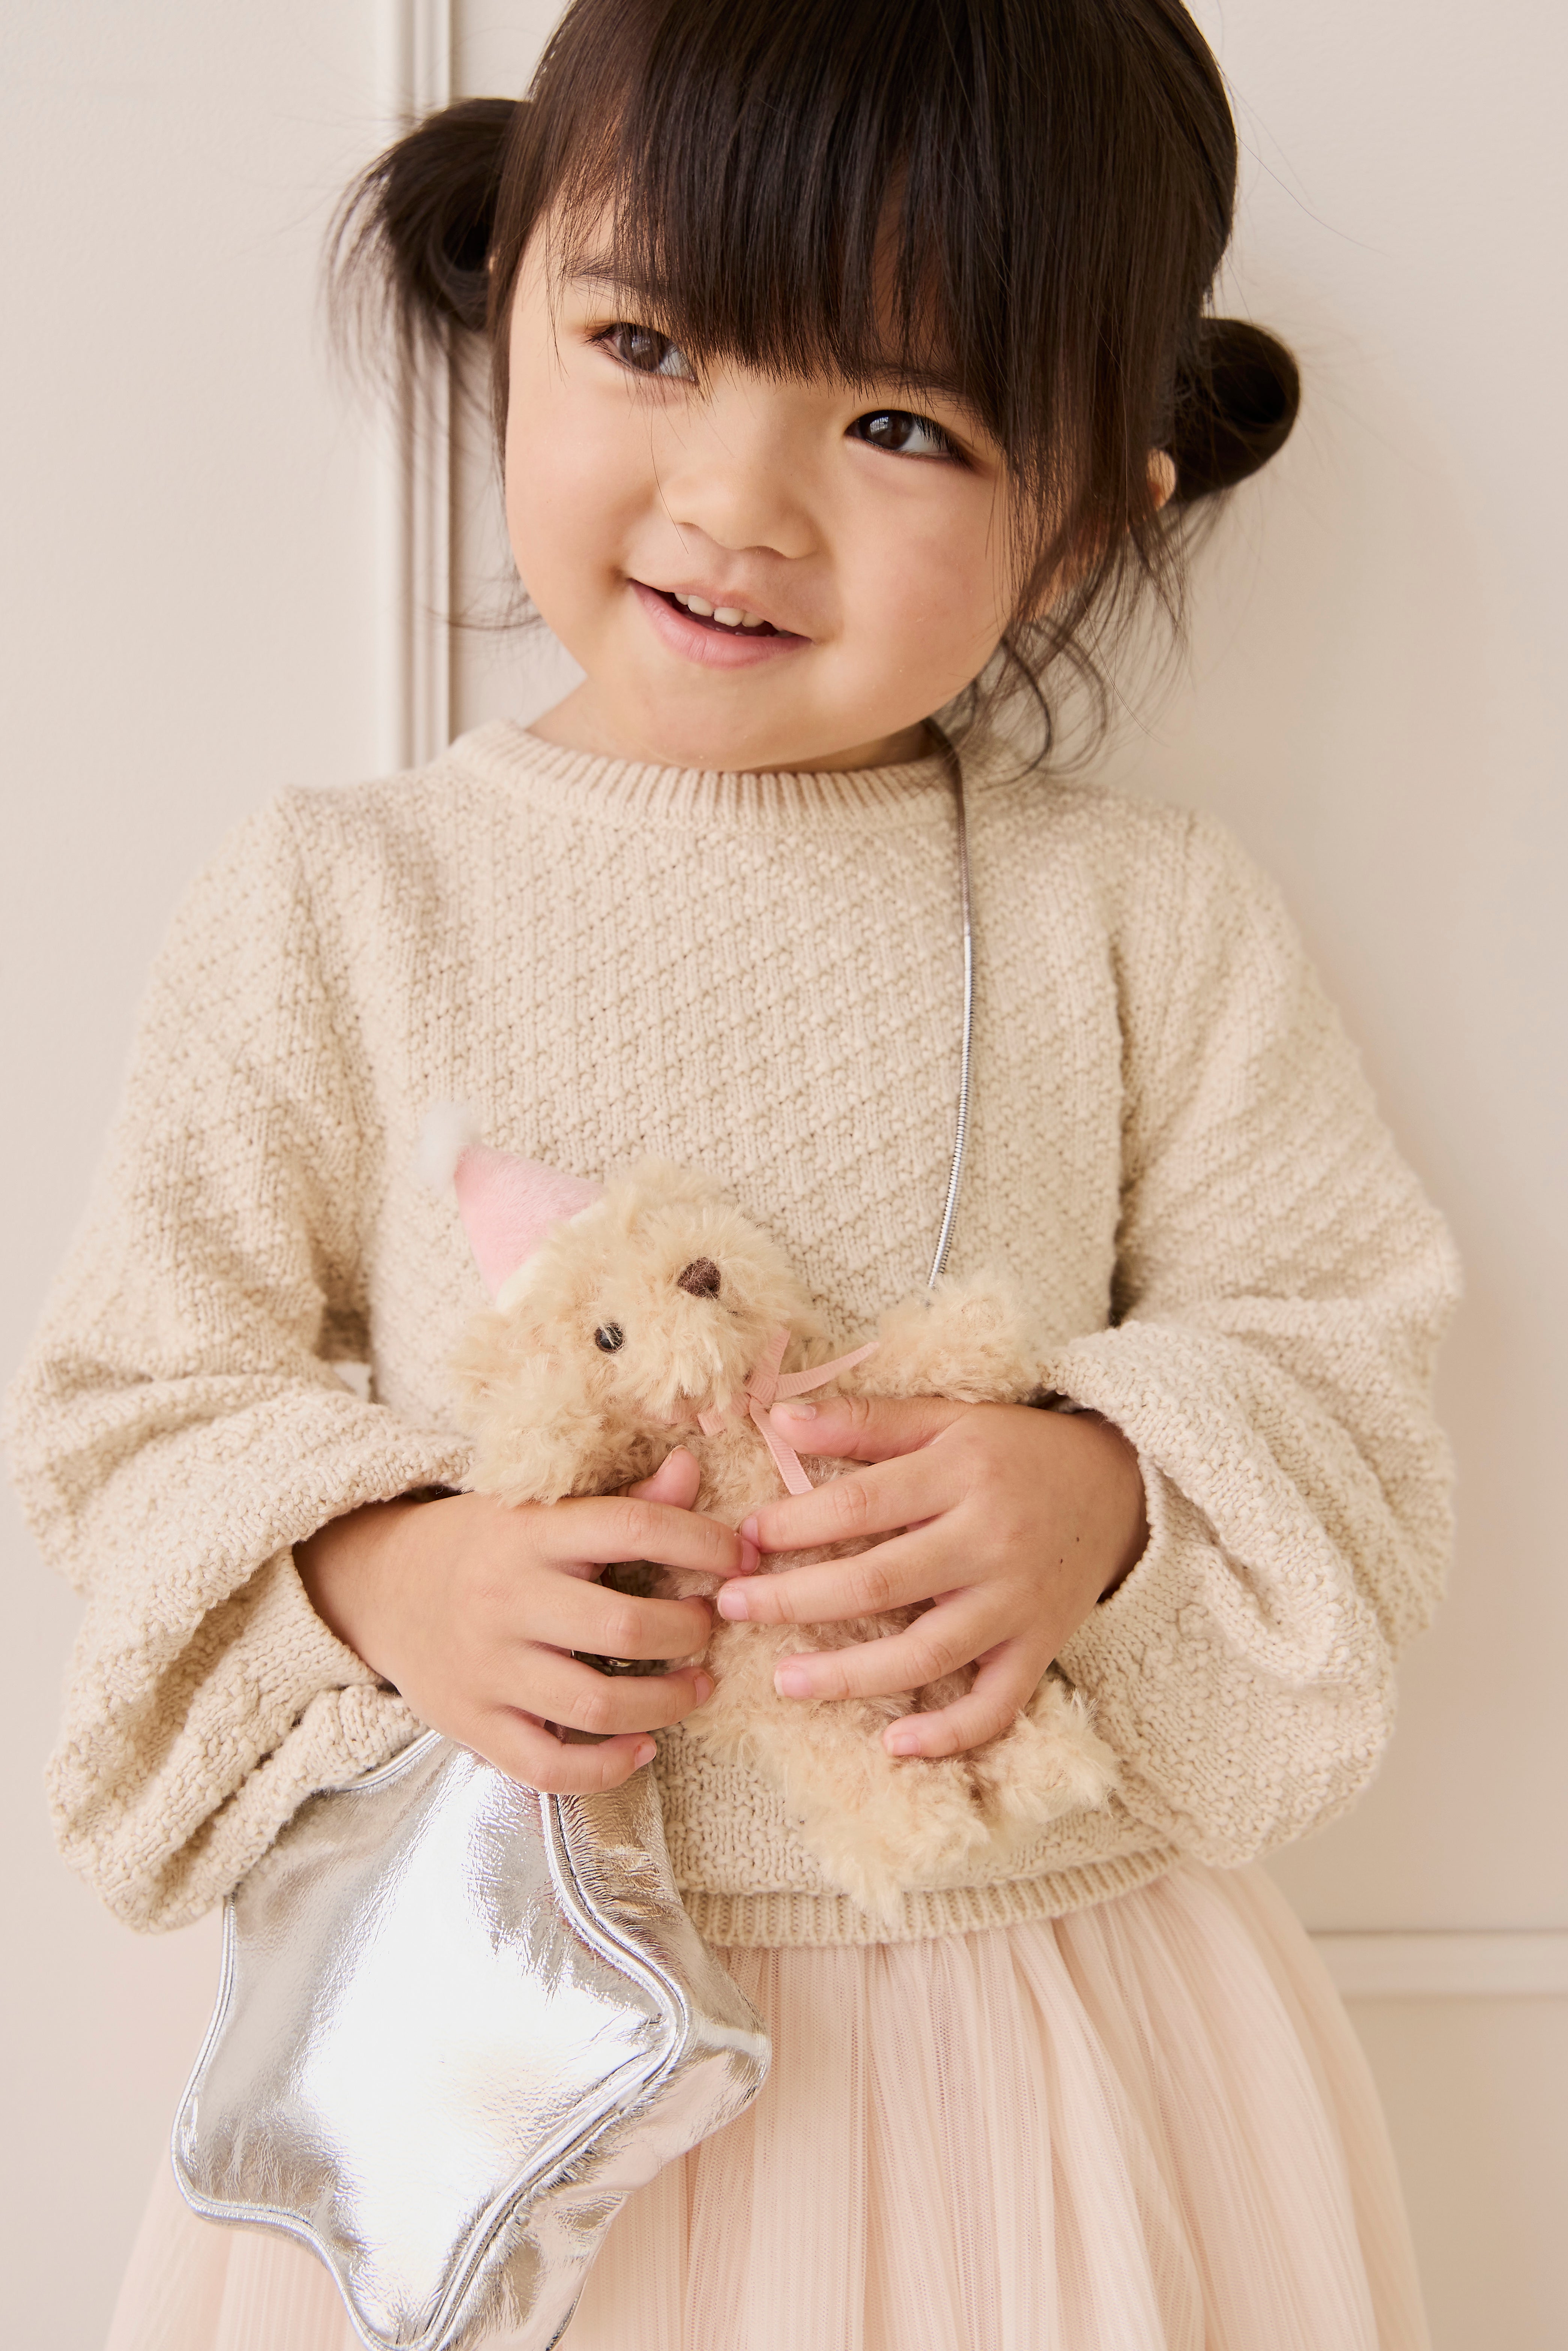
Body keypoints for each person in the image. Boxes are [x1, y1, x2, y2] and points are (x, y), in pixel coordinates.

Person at [6, 0, 1458, 2344]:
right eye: (650, 346)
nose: (739, 501)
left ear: (1084, 516)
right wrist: (390, 1570)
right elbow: (133, 1400)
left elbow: (1339, 1351)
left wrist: (1098, 1490)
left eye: (898, 423)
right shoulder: (338, 900)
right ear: (513, 312)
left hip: (1025, 2031)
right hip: (487, 2026)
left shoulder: (1133, 915)